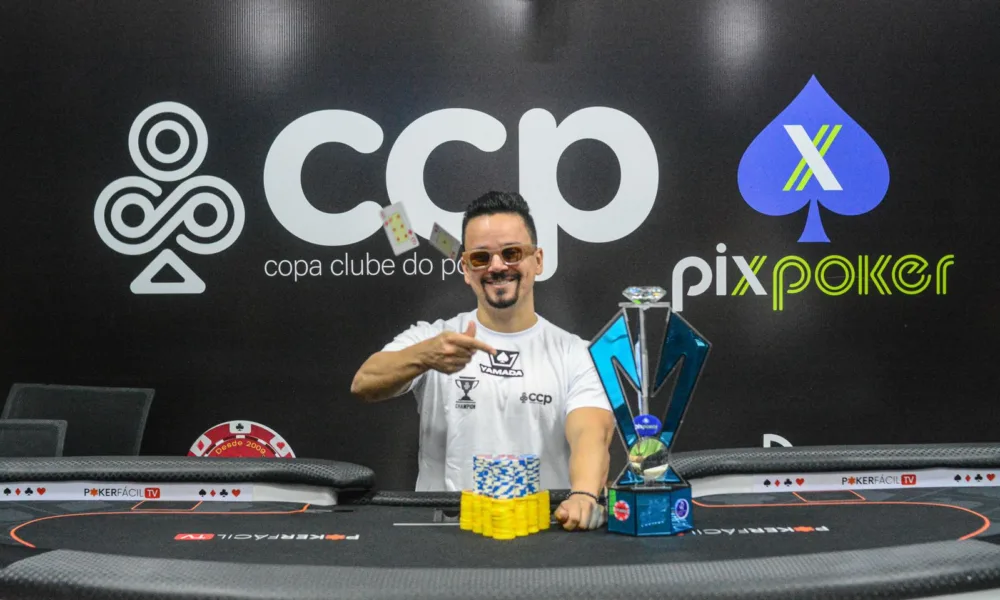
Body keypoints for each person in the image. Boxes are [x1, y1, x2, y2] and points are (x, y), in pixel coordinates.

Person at [351, 191, 615, 531]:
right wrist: (424, 357)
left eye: (512, 253)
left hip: (544, 532)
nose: (497, 266)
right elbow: (364, 383)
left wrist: (584, 494)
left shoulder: (576, 353)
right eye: (480, 257)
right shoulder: (435, 338)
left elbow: (591, 432)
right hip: (447, 536)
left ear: (538, 260)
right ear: (466, 269)